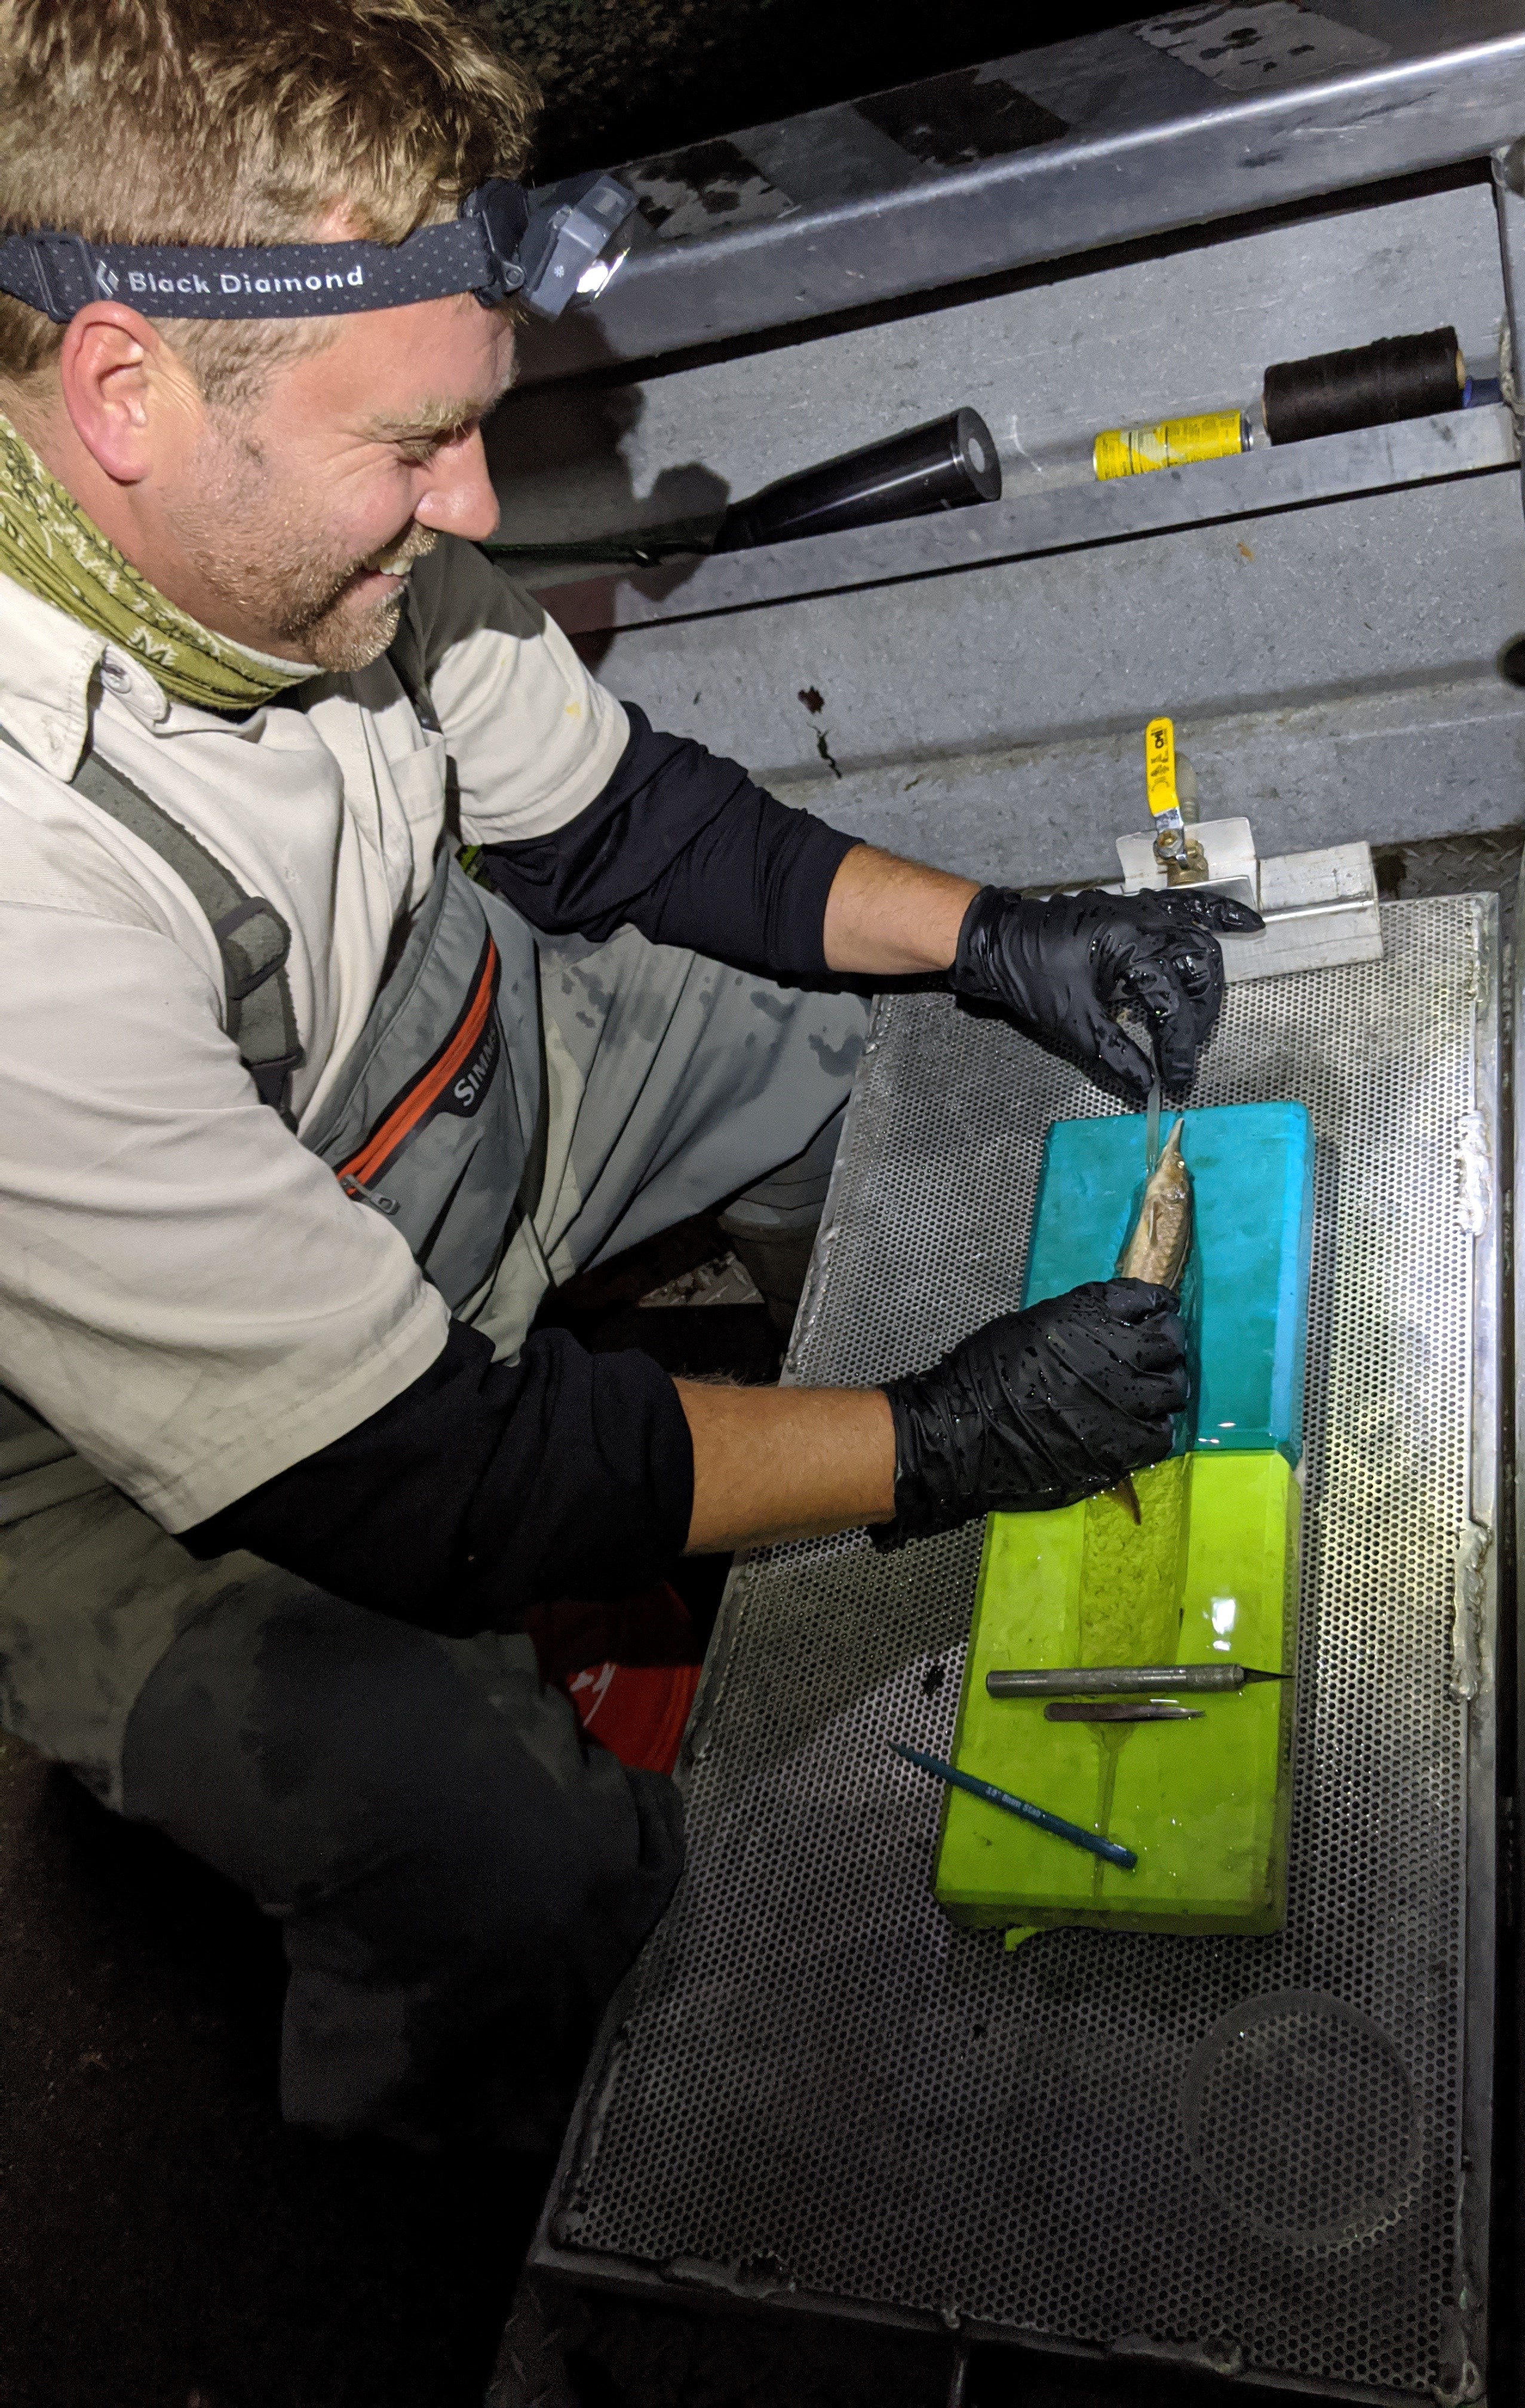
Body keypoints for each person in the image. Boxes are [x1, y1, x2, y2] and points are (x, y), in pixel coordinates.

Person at [0, 0, 1254, 2149]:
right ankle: (453, 2150)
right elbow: (430, 1477)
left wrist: (996, 935)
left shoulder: (306, 538)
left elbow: (633, 833)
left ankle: (759, 1443)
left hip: (466, 1081)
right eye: (419, 446)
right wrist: (941, 1440)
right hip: (156, 1448)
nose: (476, 501)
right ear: (126, 392)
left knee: (879, 1038)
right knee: (497, 1845)